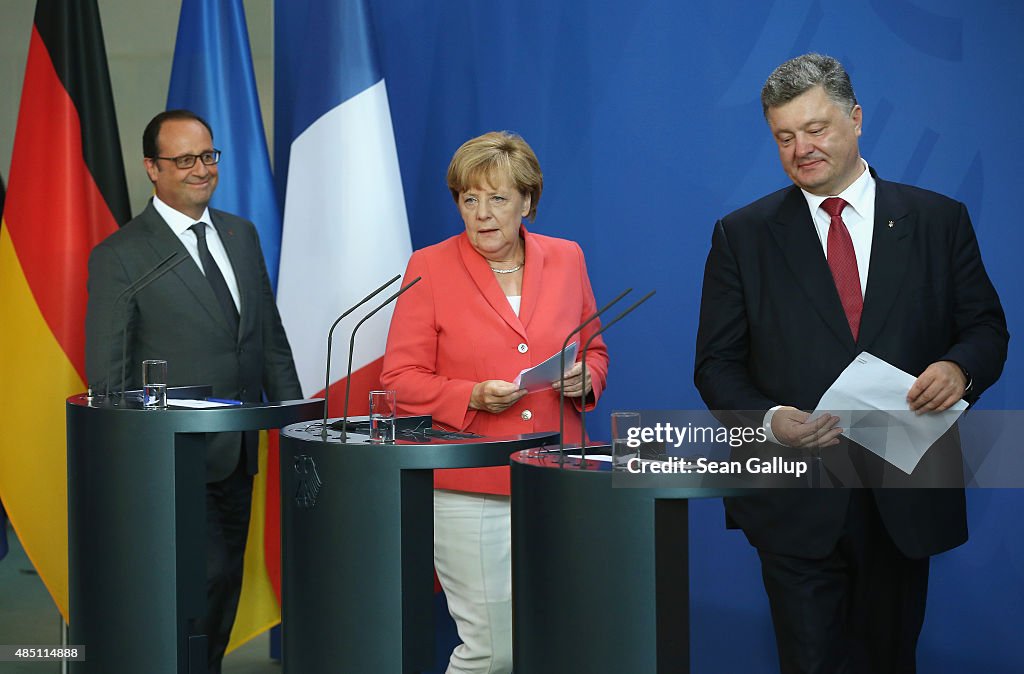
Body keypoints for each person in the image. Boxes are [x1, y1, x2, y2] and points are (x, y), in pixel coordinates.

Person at [694, 54, 1008, 673]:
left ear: (856, 119)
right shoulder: (742, 234)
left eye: (816, 129)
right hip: (794, 492)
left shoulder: (939, 220)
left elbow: (985, 329)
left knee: (891, 661)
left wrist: (958, 369)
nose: (800, 148)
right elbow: (715, 364)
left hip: (905, 492)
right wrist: (770, 417)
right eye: (784, 137)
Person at [382, 131, 609, 673]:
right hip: (471, 484)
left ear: (527, 202)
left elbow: (594, 348)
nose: (482, 214)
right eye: (469, 199)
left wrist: (585, 379)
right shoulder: (429, 267)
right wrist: (471, 395)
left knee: (554, 636)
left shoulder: (567, 257)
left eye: (498, 199)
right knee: (493, 650)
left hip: (556, 474)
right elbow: (399, 379)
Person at [84, 110, 302, 674]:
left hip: (238, 453)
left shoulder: (240, 233)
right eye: (184, 160)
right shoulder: (121, 255)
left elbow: (266, 340)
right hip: (169, 463)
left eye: (208, 156)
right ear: (151, 169)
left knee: (223, 584)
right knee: (190, 593)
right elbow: (109, 379)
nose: (201, 169)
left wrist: (300, 425)